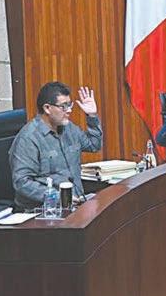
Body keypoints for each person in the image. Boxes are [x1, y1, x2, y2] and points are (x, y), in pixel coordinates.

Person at [9, 81, 102, 210]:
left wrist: (91, 115)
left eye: (70, 105)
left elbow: (94, 145)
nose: (69, 110)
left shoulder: (69, 129)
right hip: (43, 210)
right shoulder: (28, 138)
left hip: (75, 205)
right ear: (47, 108)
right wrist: (59, 197)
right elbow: (22, 183)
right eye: (63, 106)